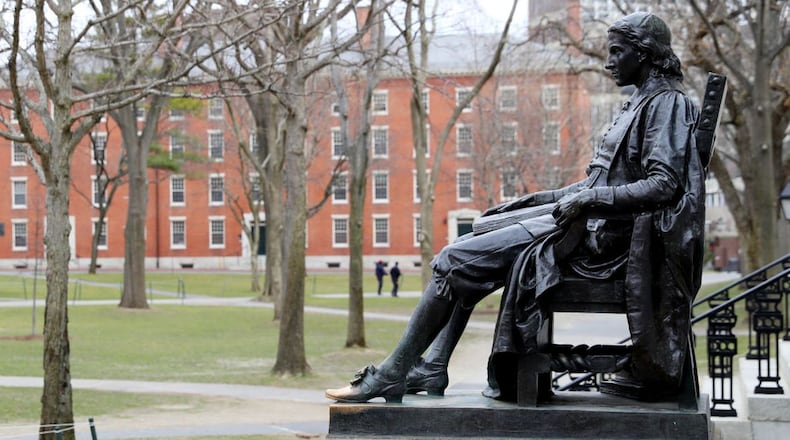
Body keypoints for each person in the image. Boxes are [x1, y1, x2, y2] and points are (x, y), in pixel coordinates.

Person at [326, 11, 704, 404]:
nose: (608, 62)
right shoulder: (642, 102)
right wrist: (537, 199)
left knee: (451, 260)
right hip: (586, 224)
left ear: (643, 54)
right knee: (483, 229)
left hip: (602, 241)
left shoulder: (667, 105)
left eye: (617, 52)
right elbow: (601, 181)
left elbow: (664, 185)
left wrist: (588, 199)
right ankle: (434, 362)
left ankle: (392, 373)